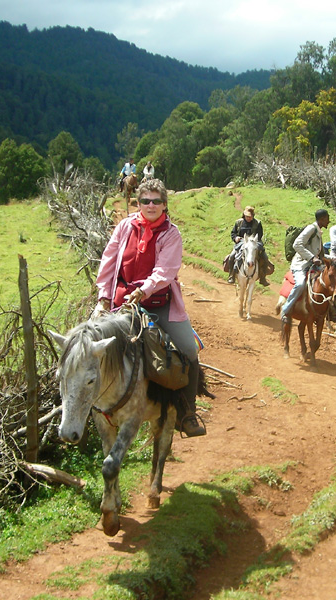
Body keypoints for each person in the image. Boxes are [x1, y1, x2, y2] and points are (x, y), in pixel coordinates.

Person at [96, 178, 206, 437]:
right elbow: (109, 261)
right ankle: (92, 408)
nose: (151, 205)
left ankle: (187, 413)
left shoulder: (171, 233)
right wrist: (103, 297)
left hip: (159, 303)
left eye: (157, 201)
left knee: (189, 349)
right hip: (122, 303)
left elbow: (165, 271)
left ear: (165, 204)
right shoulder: (124, 227)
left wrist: (143, 290)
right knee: (92, 349)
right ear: (138, 203)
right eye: (145, 201)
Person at [279, 209, 330, 324]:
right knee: (301, 283)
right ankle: (286, 310)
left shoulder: (318, 231)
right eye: (327, 218)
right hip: (301, 264)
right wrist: (312, 258)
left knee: (330, 280)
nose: (329, 221)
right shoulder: (311, 229)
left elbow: (318, 253)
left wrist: (332, 259)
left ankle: (328, 313)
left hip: (313, 264)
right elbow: (297, 244)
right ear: (322, 219)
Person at [225, 206, 274, 286]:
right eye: (247, 216)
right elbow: (233, 233)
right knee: (232, 256)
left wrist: (252, 240)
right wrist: (236, 238)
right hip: (241, 243)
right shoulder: (238, 222)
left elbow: (259, 235)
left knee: (265, 258)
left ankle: (262, 278)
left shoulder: (257, 223)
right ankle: (232, 276)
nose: (248, 218)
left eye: (250, 217)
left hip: (255, 243)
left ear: (253, 216)